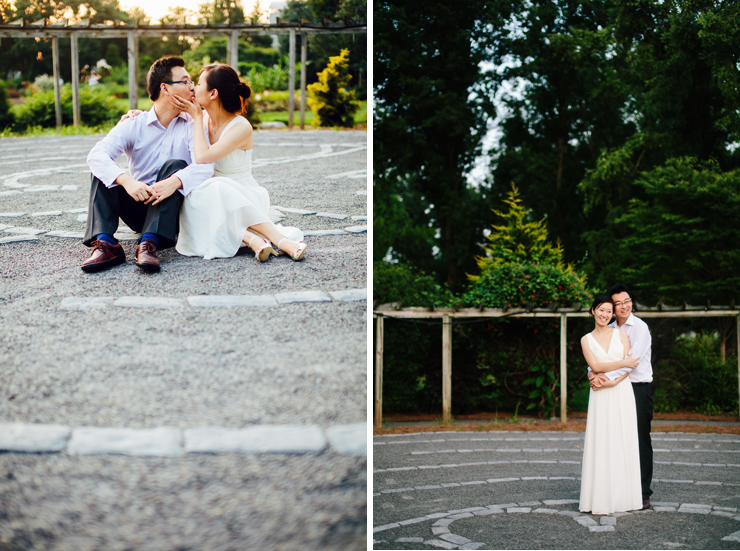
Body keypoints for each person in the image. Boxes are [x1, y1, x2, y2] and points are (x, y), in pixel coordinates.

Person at [82, 55, 213, 273]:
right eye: (186, 81)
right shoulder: (135, 123)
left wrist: (174, 182)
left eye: (192, 82)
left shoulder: (194, 123)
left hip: (174, 211)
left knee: (176, 164)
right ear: (165, 88)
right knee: (102, 171)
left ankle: (149, 244)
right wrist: (127, 181)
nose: (192, 87)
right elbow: (96, 155)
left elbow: (206, 166)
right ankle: (106, 244)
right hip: (139, 205)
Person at [170, 62, 307, 262]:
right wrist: (136, 115)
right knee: (194, 196)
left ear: (213, 94)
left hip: (244, 195)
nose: (194, 88)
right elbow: (163, 115)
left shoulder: (241, 127)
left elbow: (202, 157)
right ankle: (252, 239)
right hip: (210, 196)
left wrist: (197, 117)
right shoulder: (200, 118)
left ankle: (282, 241)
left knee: (213, 189)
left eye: (199, 84)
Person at [590, 284, 654, 509]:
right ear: (612, 308)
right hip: (614, 389)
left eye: (627, 301)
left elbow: (632, 361)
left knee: (640, 440)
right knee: (618, 440)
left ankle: (643, 492)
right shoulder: (610, 327)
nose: (624, 306)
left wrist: (604, 378)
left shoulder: (640, 328)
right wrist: (592, 373)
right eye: (618, 304)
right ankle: (620, 490)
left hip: (636, 388)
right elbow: (599, 355)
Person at [579, 295, 642, 515]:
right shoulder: (586, 339)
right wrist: (620, 363)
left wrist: (612, 380)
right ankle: (599, 498)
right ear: (593, 311)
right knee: (602, 440)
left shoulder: (621, 334)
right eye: (601, 310)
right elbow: (594, 364)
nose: (605, 314)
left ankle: (624, 498)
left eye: (609, 311)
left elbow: (628, 368)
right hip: (599, 396)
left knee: (621, 440)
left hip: (620, 392)